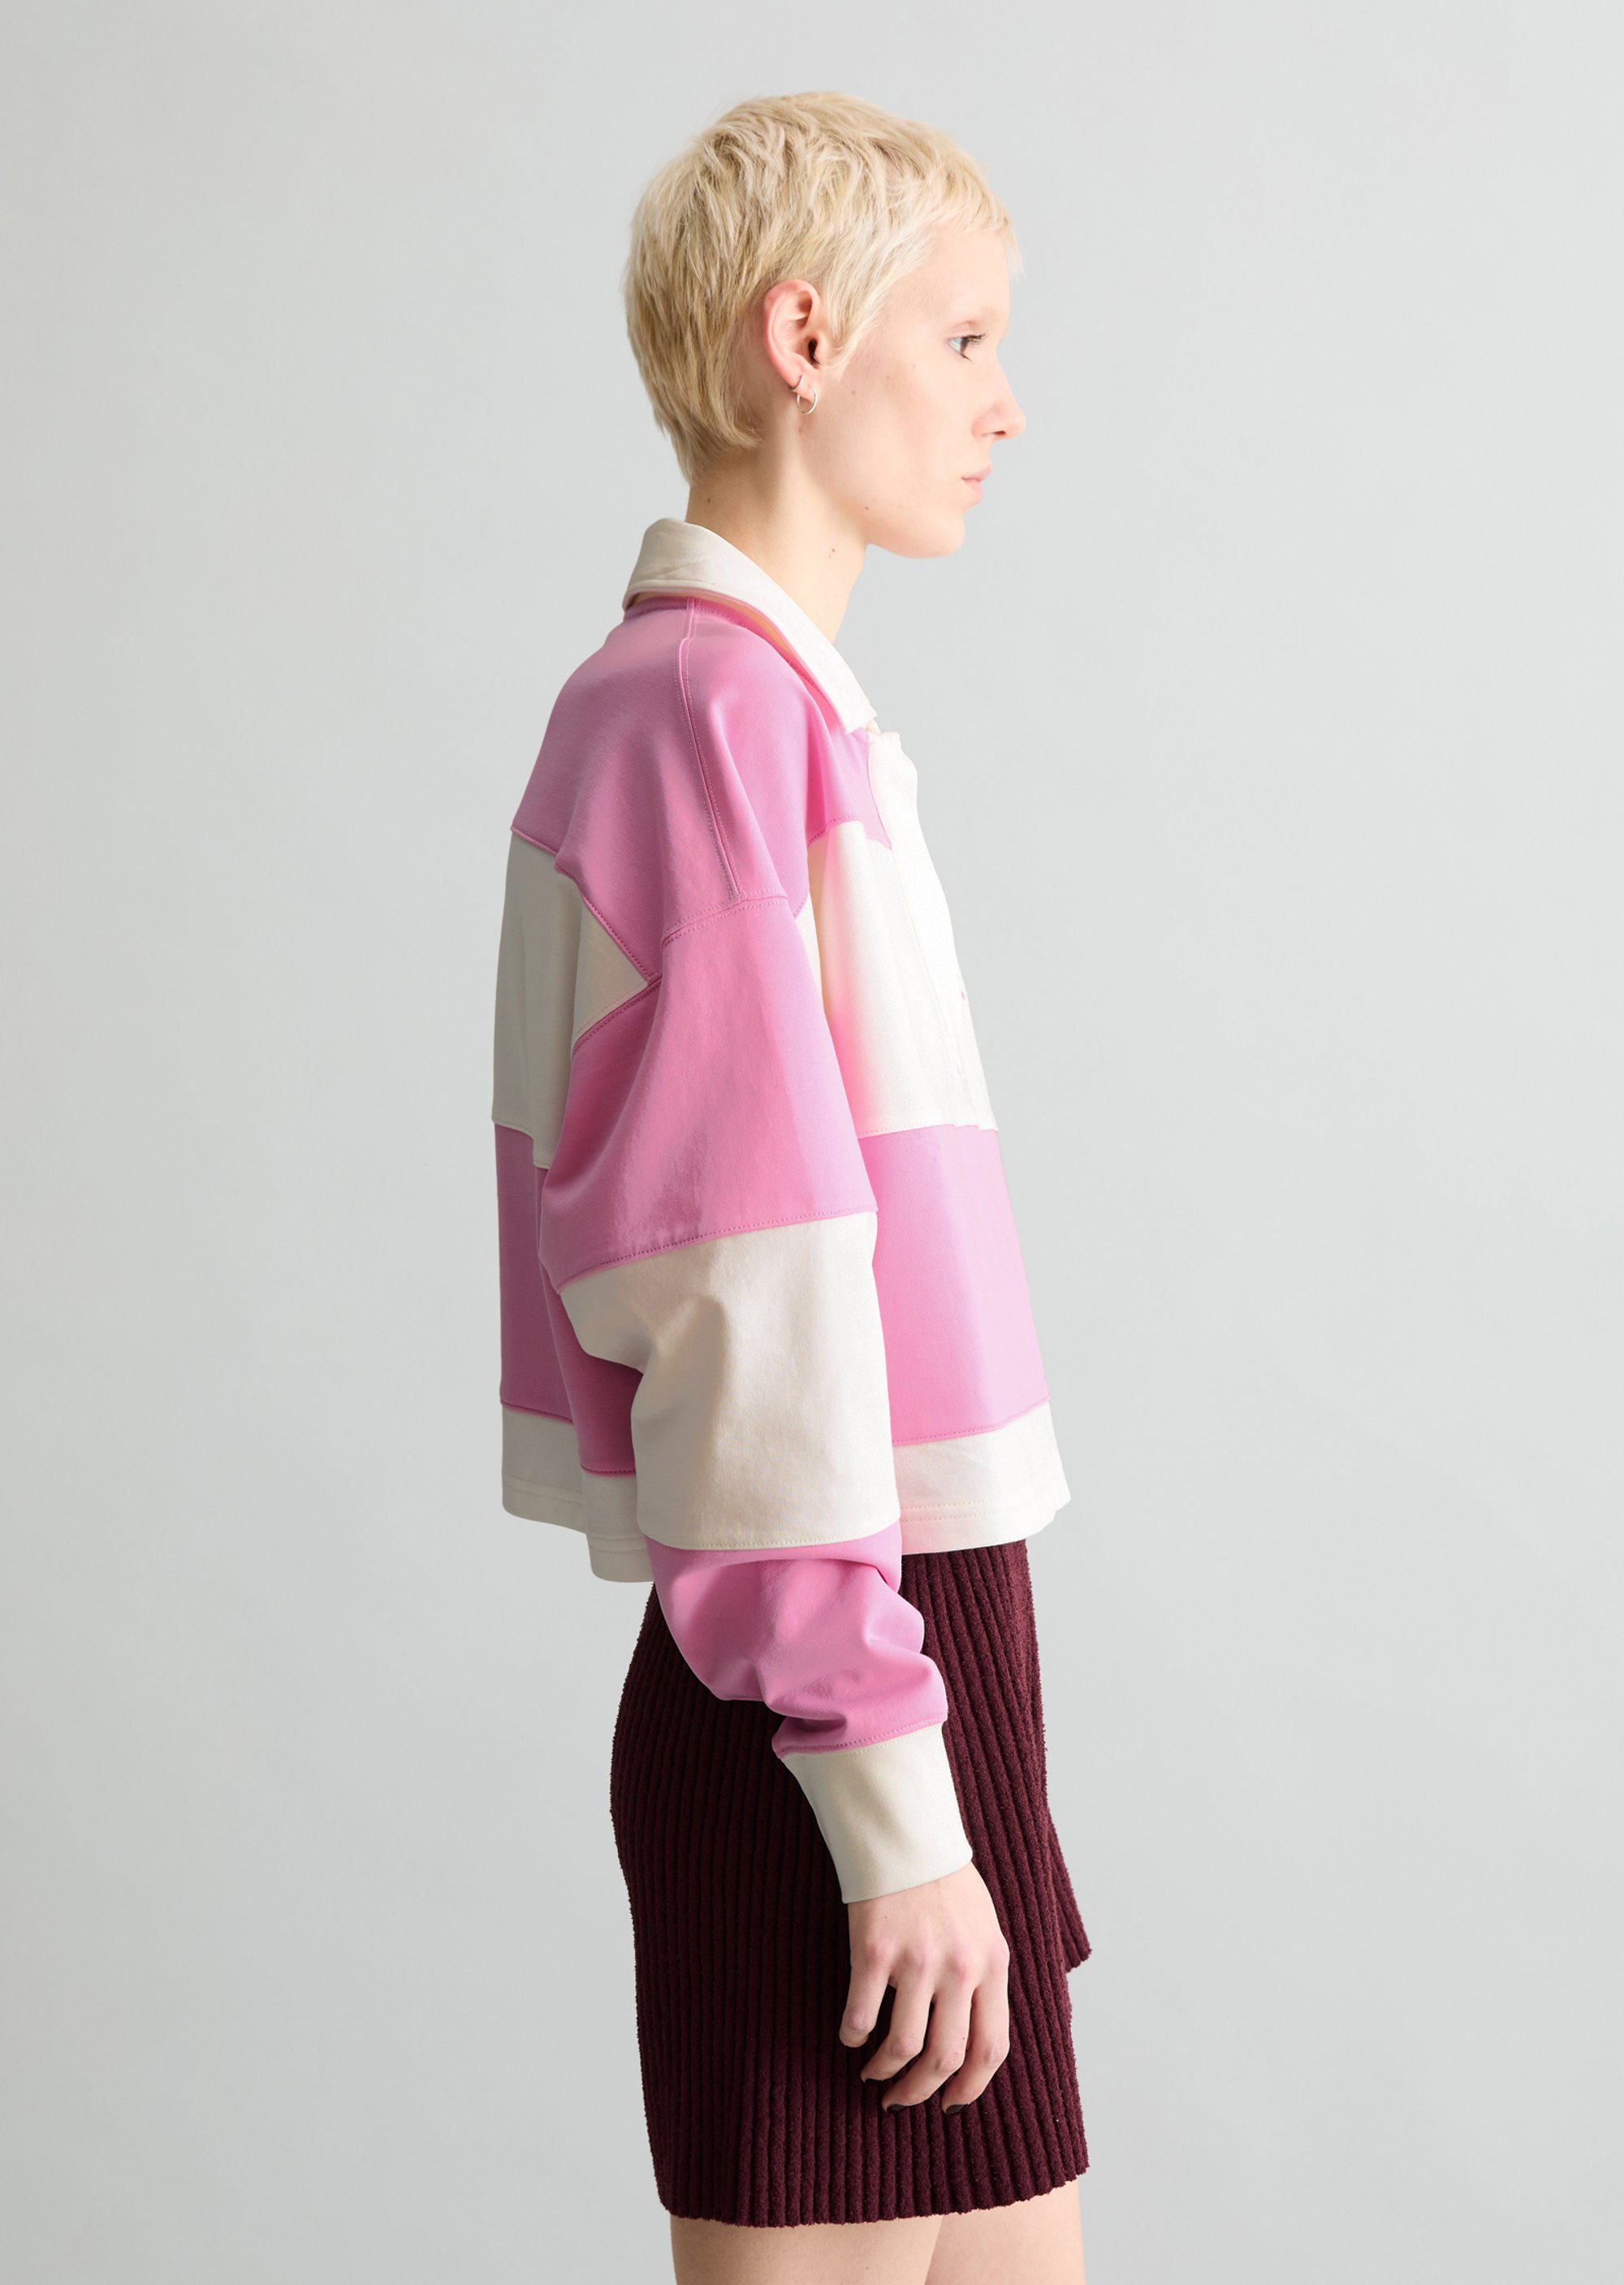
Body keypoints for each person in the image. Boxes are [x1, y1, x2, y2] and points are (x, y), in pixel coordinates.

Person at [490, 90, 1091, 2283]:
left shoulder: (774, 717)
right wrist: (883, 1795)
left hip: (911, 1648)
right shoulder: (699, 720)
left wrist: (938, 1756)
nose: (1007, 406)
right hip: (823, 1689)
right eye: (967, 341)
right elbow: (733, 1297)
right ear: (806, 339)